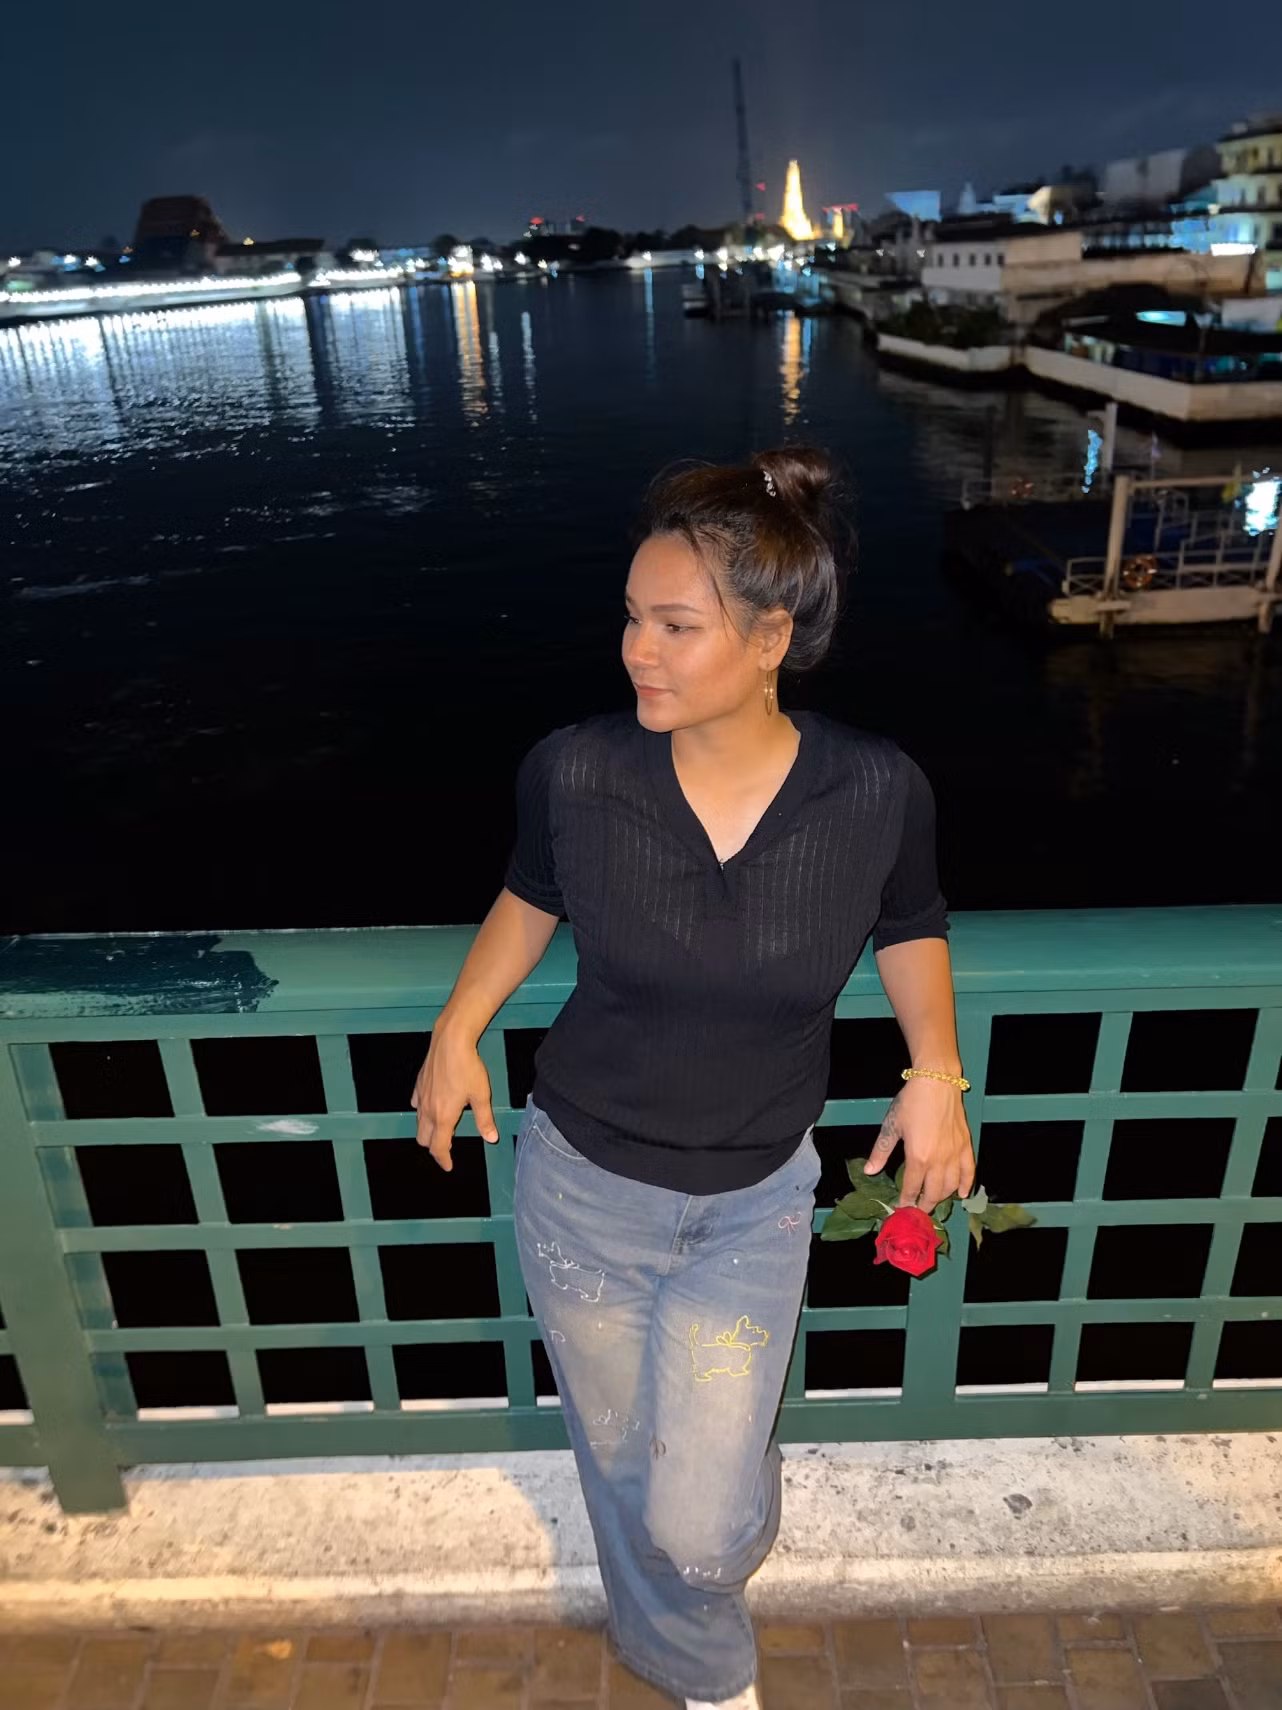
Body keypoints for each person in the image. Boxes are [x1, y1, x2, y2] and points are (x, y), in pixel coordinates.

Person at [411, 446, 976, 1709]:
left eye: (676, 626)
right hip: (580, 1188)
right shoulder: (576, 770)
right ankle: (700, 1670)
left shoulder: (873, 790)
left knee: (704, 1520)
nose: (636, 651)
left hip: (751, 1205)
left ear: (772, 639)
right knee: (619, 1466)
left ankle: (706, 1564)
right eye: (631, 618)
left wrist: (935, 1071)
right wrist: (458, 1024)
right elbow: (529, 895)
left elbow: (911, 924)